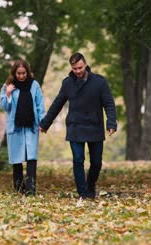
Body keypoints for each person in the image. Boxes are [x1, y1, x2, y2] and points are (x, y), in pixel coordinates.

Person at [39, 52, 117, 199]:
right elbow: (57, 104)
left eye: (80, 68)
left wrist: (111, 122)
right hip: (75, 127)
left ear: (85, 65)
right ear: (72, 68)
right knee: (78, 159)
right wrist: (45, 123)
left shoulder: (100, 82)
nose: (78, 71)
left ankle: (90, 185)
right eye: (75, 69)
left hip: (95, 126)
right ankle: (83, 193)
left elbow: (109, 104)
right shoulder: (67, 83)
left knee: (96, 162)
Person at [0, 59, 45, 196]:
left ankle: (31, 190)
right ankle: (19, 189)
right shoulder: (8, 86)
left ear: (27, 72)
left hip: (31, 126)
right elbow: (4, 107)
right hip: (16, 127)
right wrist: (7, 93)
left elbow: (40, 105)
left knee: (31, 158)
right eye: (18, 73)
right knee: (17, 159)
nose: (21, 76)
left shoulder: (34, 85)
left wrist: (43, 122)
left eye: (23, 73)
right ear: (14, 73)